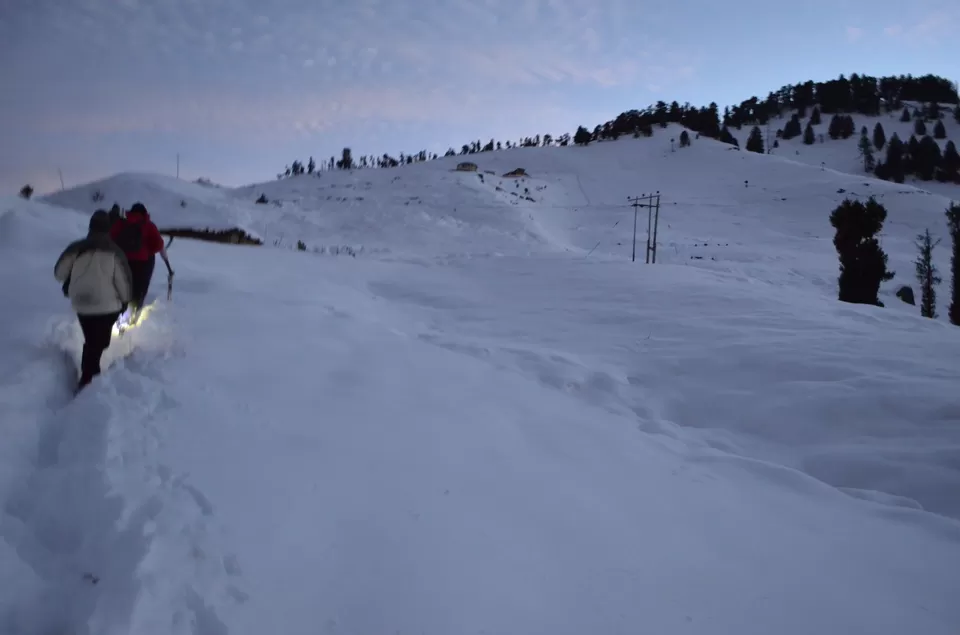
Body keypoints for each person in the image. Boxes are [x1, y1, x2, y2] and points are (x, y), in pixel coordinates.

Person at [54, 210, 133, 392]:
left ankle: (89, 375)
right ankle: (89, 379)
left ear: (90, 227)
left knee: (93, 340)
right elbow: (123, 281)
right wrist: (125, 301)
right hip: (107, 308)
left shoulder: (76, 248)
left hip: (81, 303)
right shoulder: (115, 252)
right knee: (98, 343)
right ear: (108, 228)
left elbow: (59, 274)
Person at [109, 201, 173, 323]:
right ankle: (133, 316)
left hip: (123, 262)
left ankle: (118, 314)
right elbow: (159, 245)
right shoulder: (148, 225)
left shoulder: (121, 223)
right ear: (144, 213)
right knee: (139, 289)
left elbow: (111, 238)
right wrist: (165, 262)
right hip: (142, 264)